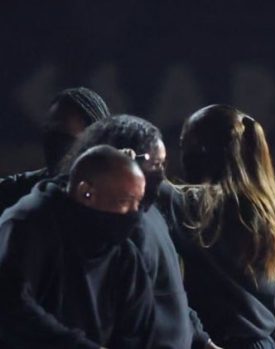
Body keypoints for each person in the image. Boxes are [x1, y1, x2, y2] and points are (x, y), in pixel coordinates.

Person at [158, 104, 275, 349]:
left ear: (202, 150)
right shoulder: (270, 217)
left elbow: (146, 180)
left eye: (184, 143)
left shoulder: (186, 205)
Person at [65, 114, 219, 349]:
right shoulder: (117, 228)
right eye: (155, 165)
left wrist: (202, 338)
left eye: (163, 164)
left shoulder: (153, 214)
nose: (161, 175)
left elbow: (170, 291)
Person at [0, 144, 156, 348]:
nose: (134, 213)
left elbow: (137, 330)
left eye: (138, 202)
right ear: (86, 193)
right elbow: (11, 308)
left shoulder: (125, 255)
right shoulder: (27, 226)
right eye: (125, 201)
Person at [0, 86, 110, 214]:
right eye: (50, 134)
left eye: (64, 138)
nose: (54, 145)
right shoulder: (25, 188)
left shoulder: (117, 196)